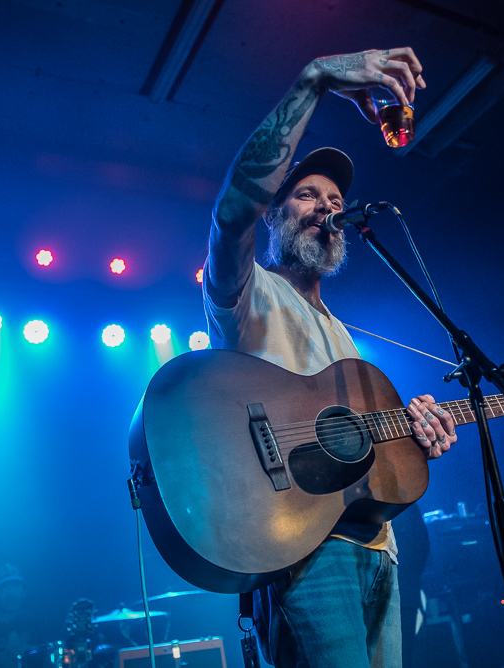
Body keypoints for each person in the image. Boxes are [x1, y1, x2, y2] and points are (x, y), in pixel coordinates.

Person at [203, 47, 457, 668]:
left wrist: (417, 432)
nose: (327, 205)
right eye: (307, 194)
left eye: (335, 199)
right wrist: (314, 78)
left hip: (379, 551)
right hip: (302, 551)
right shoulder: (250, 293)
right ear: (276, 213)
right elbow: (232, 211)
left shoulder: (345, 338)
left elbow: (366, 457)